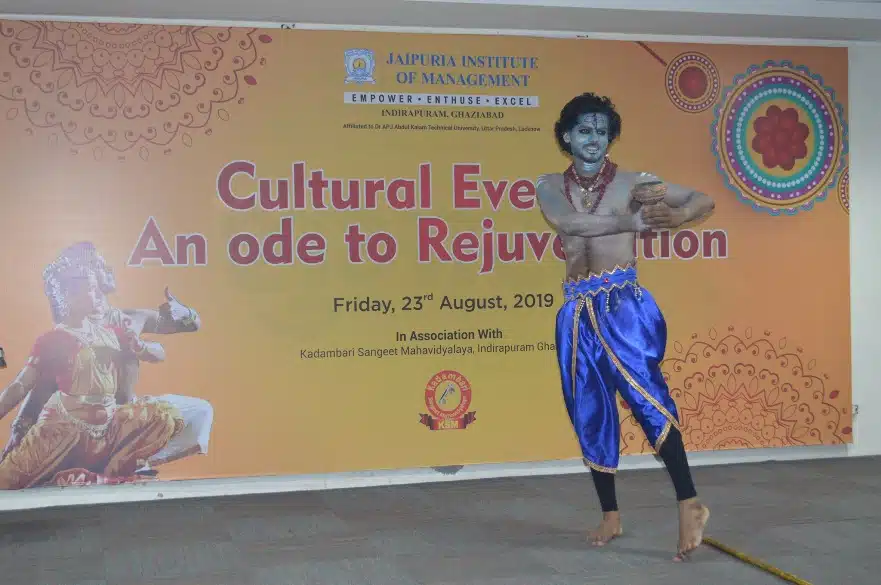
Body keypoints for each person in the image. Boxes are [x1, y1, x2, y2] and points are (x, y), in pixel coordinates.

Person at [536, 93, 716, 561]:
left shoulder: (636, 183)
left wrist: (677, 216)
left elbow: (703, 200)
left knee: (648, 401)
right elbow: (570, 222)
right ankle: (610, 515)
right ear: (566, 136)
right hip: (577, 310)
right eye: (584, 130)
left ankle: (689, 503)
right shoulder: (549, 185)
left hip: (622, 306)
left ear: (610, 137)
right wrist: (629, 220)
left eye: (601, 131)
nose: (593, 139)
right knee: (589, 409)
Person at [1, 242, 213, 477]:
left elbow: (184, 330)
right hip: (77, 429)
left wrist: (183, 315)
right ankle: (102, 462)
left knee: (200, 412)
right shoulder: (64, 335)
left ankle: (131, 459)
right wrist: (20, 427)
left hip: (124, 420)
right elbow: (34, 386)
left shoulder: (128, 319)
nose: (109, 270)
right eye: (100, 265)